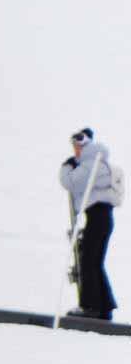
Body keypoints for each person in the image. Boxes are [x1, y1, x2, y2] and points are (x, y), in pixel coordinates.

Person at [61, 127, 117, 321]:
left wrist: (68, 166)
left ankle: (90, 306)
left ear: (84, 146)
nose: (75, 151)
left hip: (98, 217)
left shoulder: (91, 164)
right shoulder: (97, 162)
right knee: (93, 261)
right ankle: (104, 306)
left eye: (77, 147)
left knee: (88, 261)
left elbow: (69, 182)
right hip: (101, 217)